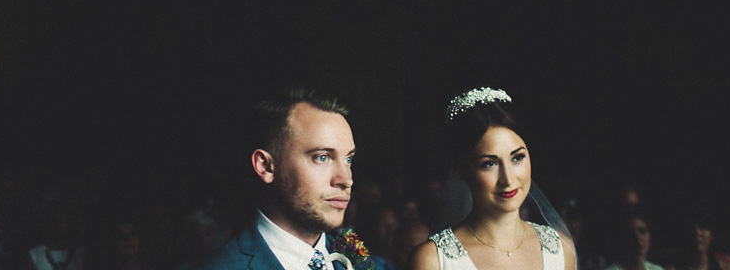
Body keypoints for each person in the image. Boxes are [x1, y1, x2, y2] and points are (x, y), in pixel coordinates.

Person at [197, 88, 368, 270]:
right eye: (322, 157)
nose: (346, 180)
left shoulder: (360, 263)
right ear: (265, 166)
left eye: (348, 159)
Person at [407, 87, 576, 270]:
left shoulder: (560, 249)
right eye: (490, 163)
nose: (508, 179)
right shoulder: (432, 260)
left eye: (517, 158)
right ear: (462, 170)